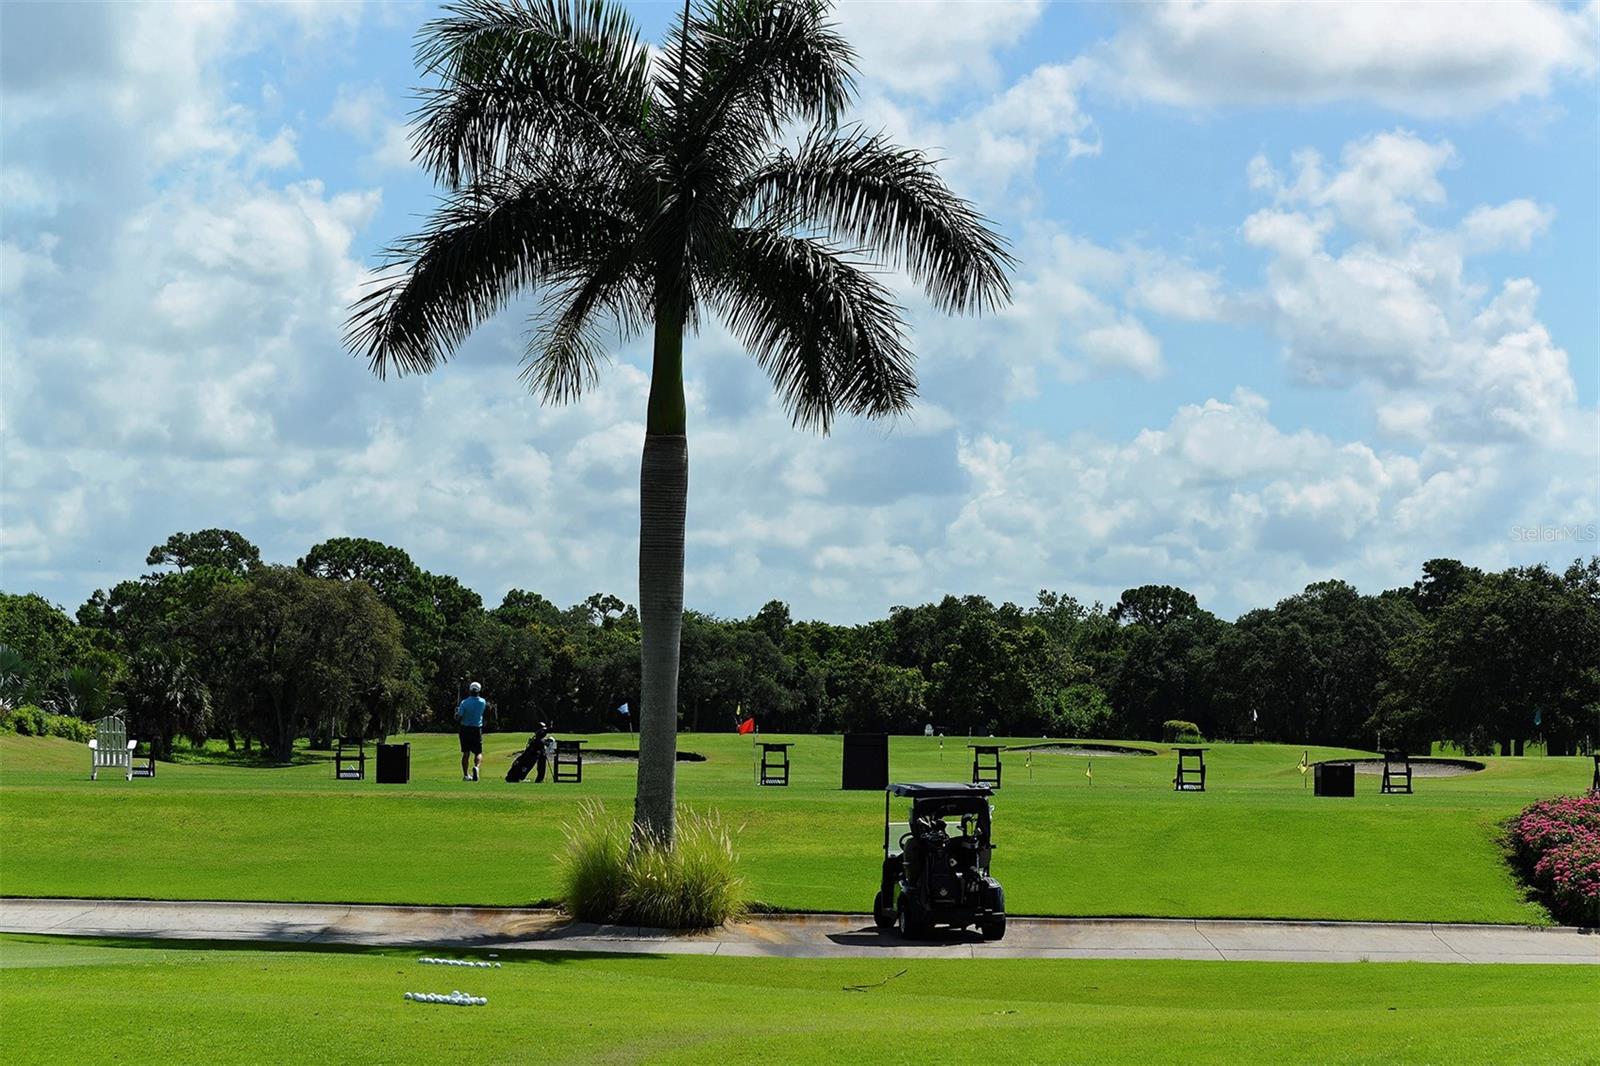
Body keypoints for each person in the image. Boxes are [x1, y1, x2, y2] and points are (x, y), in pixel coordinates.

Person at [455, 681, 487, 781]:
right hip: (477, 729)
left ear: (469, 690)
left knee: (466, 753)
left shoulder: (464, 703)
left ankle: (466, 775)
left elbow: (458, 718)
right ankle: (476, 767)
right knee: (478, 752)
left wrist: (456, 712)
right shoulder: (482, 702)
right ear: (479, 691)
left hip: (465, 729)